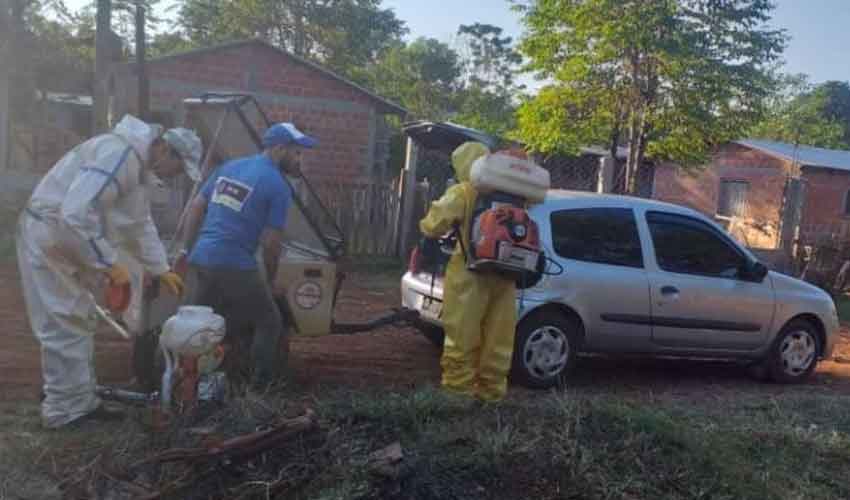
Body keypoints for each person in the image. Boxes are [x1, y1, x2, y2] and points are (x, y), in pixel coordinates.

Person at [17, 115, 204, 428]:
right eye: (179, 168)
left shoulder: (137, 167)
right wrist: (108, 263)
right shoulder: (118, 154)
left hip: (60, 240)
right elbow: (75, 214)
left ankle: (77, 400)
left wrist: (161, 269)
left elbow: (139, 225)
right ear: (165, 151)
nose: (176, 177)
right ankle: (65, 411)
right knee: (64, 322)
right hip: (49, 237)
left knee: (78, 320)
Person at [180, 122, 316, 389]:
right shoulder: (278, 185)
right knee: (269, 321)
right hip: (235, 263)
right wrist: (270, 280)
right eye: (297, 153)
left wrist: (187, 249)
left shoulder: (229, 167)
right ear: (279, 149)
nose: (300, 159)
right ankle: (259, 389)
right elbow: (271, 242)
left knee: (200, 326)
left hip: (202, 258)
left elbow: (196, 207)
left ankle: (189, 384)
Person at [419, 142, 518, 402]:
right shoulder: (513, 194)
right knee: (498, 341)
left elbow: (436, 223)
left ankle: (457, 395)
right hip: (506, 276)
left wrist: (427, 235)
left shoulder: (463, 192)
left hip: (470, 274)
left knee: (461, 337)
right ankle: (491, 395)